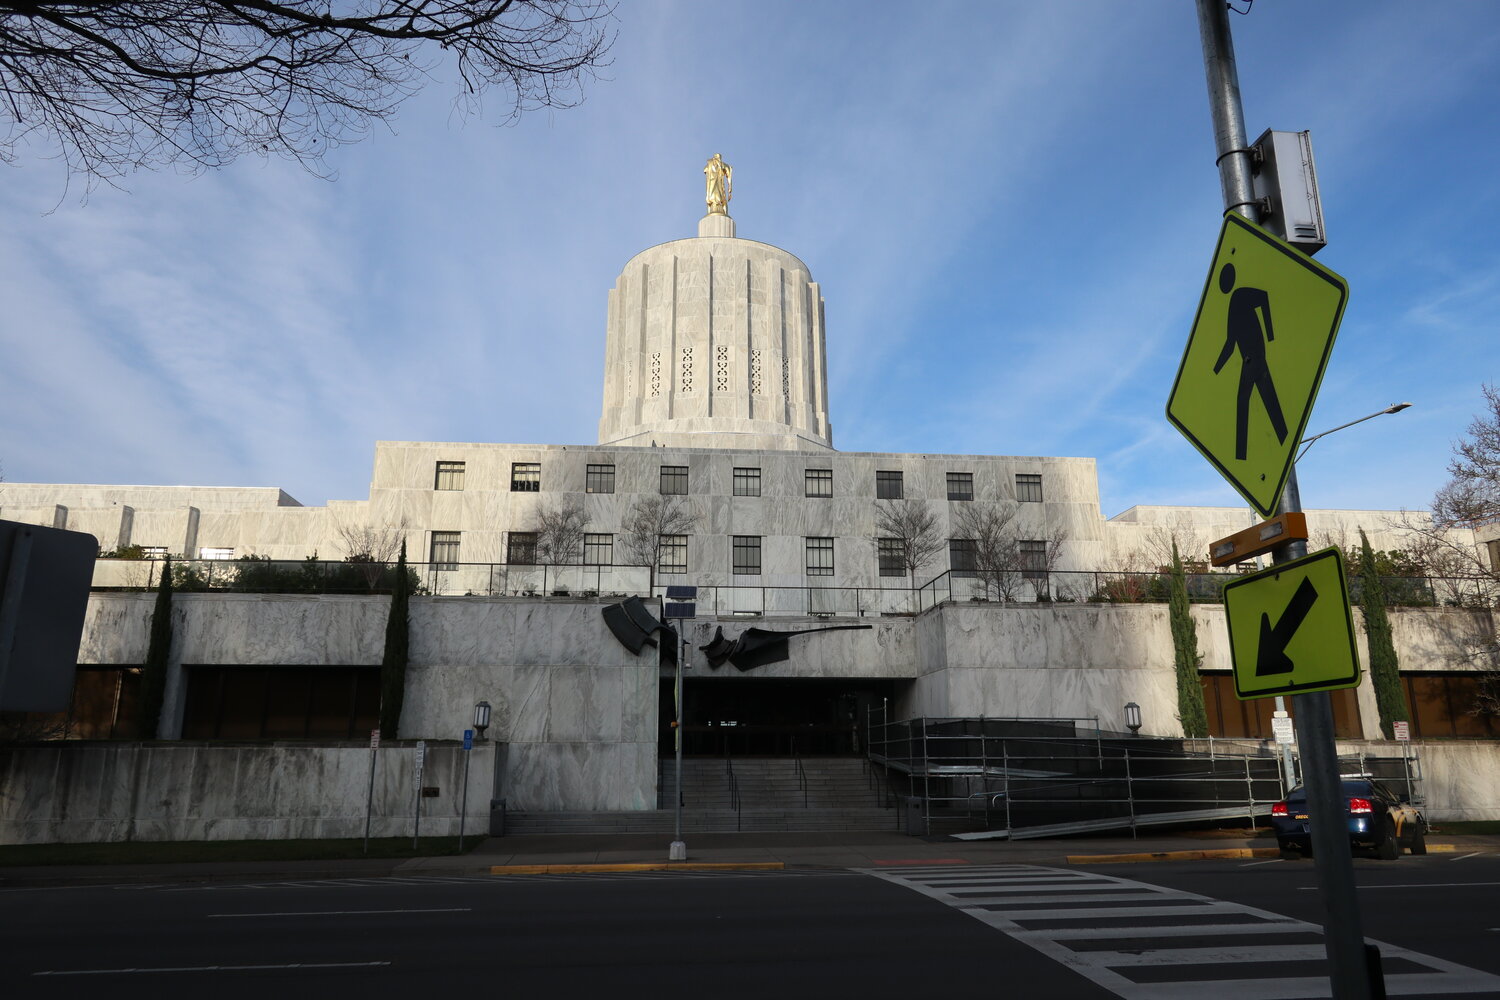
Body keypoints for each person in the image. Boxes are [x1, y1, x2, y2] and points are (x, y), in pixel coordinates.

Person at [1213, 261, 1288, 461]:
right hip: (1249, 361)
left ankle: (1242, 455)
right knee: (1263, 403)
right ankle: (1279, 441)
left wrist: (1271, 334)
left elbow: (1263, 297)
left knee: (1250, 403)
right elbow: (1230, 343)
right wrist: (1214, 371)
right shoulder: (1232, 306)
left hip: (1255, 358)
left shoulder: (1240, 295)